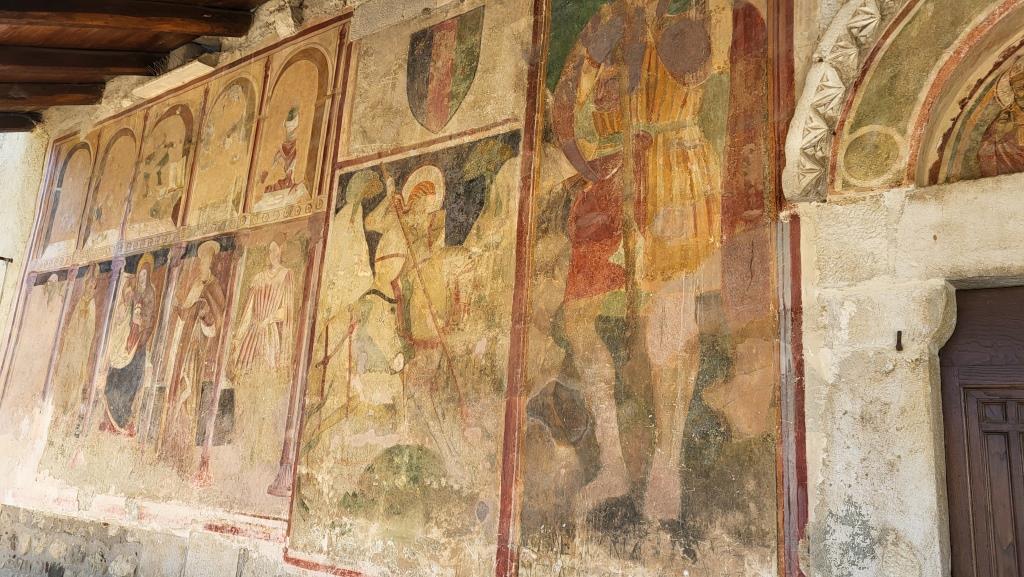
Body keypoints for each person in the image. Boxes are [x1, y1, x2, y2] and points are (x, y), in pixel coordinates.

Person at [551, 0, 723, 524]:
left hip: (670, 173)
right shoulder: (609, 19)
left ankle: (667, 468)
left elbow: (693, 61)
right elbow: (568, 104)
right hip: (609, 183)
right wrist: (585, 164)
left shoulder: (686, 13)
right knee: (578, 321)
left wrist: (649, 26)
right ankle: (614, 465)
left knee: (667, 327)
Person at [103, 256, 157, 435]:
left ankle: (124, 421)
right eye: (140, 275)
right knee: (113, 381)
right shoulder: (133, 292)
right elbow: (122, 315)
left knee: (130, 385)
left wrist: (140, 328)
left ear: (148, 277)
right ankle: (111, 421)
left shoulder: (150, 294)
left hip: (138, 347)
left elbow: (150, 319)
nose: (141, 279)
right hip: (124, 346)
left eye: (145, 276)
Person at [980, 59, 1024, 178]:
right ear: (1013, 91)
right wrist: (1001, 132)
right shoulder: (1005, 117)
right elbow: (986, 146)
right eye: (1021, 88)